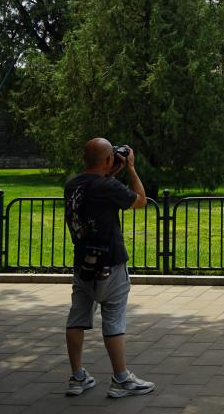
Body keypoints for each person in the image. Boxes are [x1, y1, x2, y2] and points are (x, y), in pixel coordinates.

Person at [64, 137, 155, 398]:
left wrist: (109, 171)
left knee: (77, 318)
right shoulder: (106, 186)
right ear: (107, 160)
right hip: (110, 263)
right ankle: (121, 378)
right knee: (114, 318)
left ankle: (77, 377)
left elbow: (95, 189)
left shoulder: (72, 185)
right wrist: (131, 168)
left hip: (82, 262)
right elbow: (140, 200)